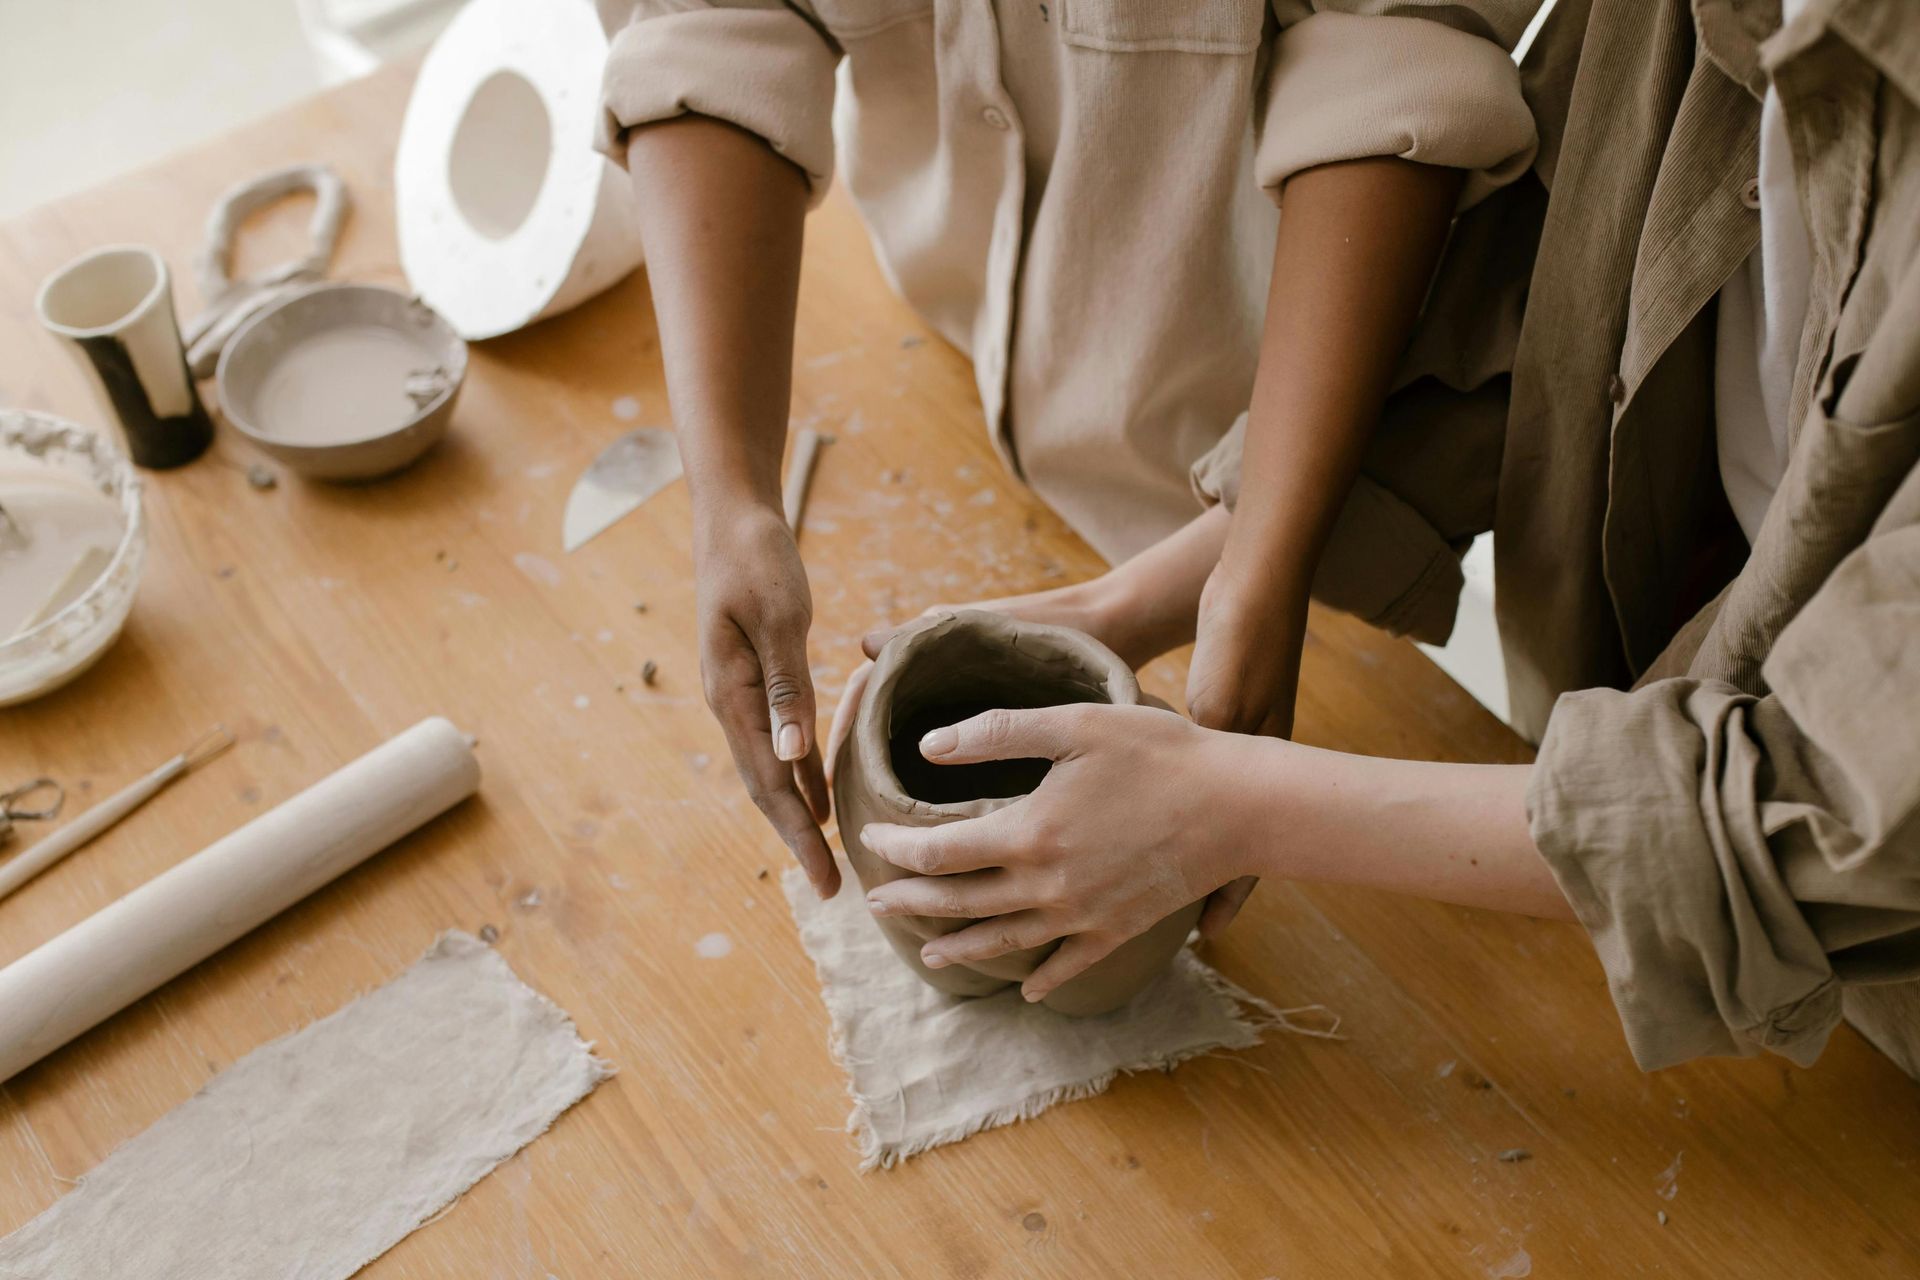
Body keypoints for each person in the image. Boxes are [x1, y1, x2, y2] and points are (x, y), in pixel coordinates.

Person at [846, 0, 1920, 1076]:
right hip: (1613, 795)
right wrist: (1141, 599)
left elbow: (1848, 812)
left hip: (1859, 995)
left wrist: (1239, 808)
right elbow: (1538, 290)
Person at [592, 0, 1541, 910]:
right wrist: (733, 497)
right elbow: (711, 24)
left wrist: (1261, 568)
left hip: (1265, 410)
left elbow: (1393, 67)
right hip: (951, 339)